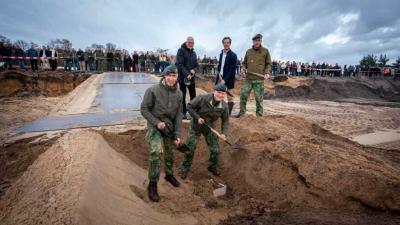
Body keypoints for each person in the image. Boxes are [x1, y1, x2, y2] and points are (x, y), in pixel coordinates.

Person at [140, 65, 183, 202]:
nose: (171, 78)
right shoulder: (153, 90)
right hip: (155, 125)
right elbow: (144, 109)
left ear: (177, 77)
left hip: (169, 127)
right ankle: (152, 184)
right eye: (169, 75)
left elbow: (178, 115)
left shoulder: (179, 94)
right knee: (156, 151)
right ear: (164, 76)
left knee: (170, 152)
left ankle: (169, 175)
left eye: (174, 76)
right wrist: (156, 123)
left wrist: (177, 134)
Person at [180, 83, 229, 179]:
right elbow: (189, 106)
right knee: (190, 148)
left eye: (223, 93)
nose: (220, 95)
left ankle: (212, 167)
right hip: (196, 126)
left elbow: (225, 121)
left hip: (209, 127)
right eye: (219, 92)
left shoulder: (224, 106)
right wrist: (197, 117)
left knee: (215, 149)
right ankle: (184, 169)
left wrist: (224, 133)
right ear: (214, 91)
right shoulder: (202, 98)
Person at [236, 34, 271, 117]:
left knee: (259, 99)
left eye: (259, 40)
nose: (257, 42)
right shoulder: (248, 51)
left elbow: (268, 63)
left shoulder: (265, 51)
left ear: (261, 41)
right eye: (255, 41)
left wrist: (267, 72)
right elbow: (244, 63)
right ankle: (242, 113)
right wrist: (243, 68)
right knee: (243, 95)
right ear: (253, 41)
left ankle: (259, 116)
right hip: (248, 79)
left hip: (259, 79)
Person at [176, 36, 198, 119]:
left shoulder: (194, 53)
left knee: (193, 96)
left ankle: (193, 112)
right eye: (189, 42)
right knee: (182, 96)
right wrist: (187, 74)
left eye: (192, 42)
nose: (190, 44)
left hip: (191, 79)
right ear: (186, 42)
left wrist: (194, 70)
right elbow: (179, 64)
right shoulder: (181, 51)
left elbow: (197, 65)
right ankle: (183, 113)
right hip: (183, 78)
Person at [216, 36, 238, 116]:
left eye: (227, 43)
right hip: (220, 77)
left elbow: (232, 69)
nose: (226, 44)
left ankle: (228, 114)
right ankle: (217, 112)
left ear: (230, 44)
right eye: (224, 43)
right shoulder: (221, 54)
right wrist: (218, 70)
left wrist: (225, 80)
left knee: (230, 97)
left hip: (228, 79)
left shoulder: (233, 55)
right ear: (223, 44)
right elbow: (221, 65)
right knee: (217, 95)